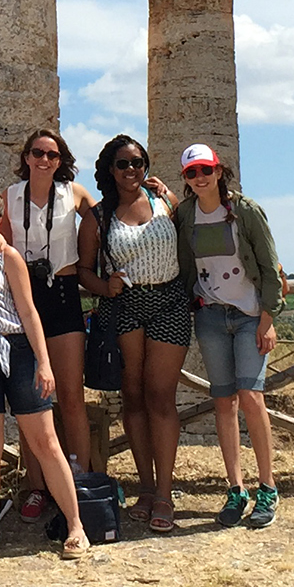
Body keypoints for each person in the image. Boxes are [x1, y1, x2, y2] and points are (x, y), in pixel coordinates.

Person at [0, 188, 91, 560]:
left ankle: (75, 526)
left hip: (17, 348)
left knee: (44, 441)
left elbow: (28, 312)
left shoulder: (7, 255)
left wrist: (44, 362)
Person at [80, 134, 188, 533]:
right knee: (134, 396)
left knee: (162, 396)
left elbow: (196, 234)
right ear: (110, 169)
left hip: (169, 302)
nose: (132, 170)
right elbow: (85, 270)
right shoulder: (98, 215)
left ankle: (164, 491)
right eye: (124, 164)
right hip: (123, 308)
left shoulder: (166, 202)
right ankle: (145, 487)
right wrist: (103, 287)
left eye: (138, 162)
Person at [173, 144, 285, 529]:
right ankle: (235, 488)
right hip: (210, 316)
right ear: (185, 179)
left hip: (250, 316)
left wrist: (268, 320)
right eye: (191, 172)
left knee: (252, 398)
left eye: (206, 169)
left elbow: (270, 267)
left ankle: (267, 487)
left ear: (219, 171)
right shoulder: (185, 214)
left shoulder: (246, 211)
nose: (200, 177)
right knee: (223, 402)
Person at [0, 129, 100, 521]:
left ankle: (81, 478)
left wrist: (160, 195)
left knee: (72, 395)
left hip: (63, 293)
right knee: (32, 401)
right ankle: (36, 486)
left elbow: (107, 217)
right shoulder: (10, 197)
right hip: (25, 298)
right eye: (38, 152)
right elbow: (3, 247)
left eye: (52, 154)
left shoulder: (74, 193)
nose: (44, 159)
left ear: (62, 160)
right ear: (26, 156)